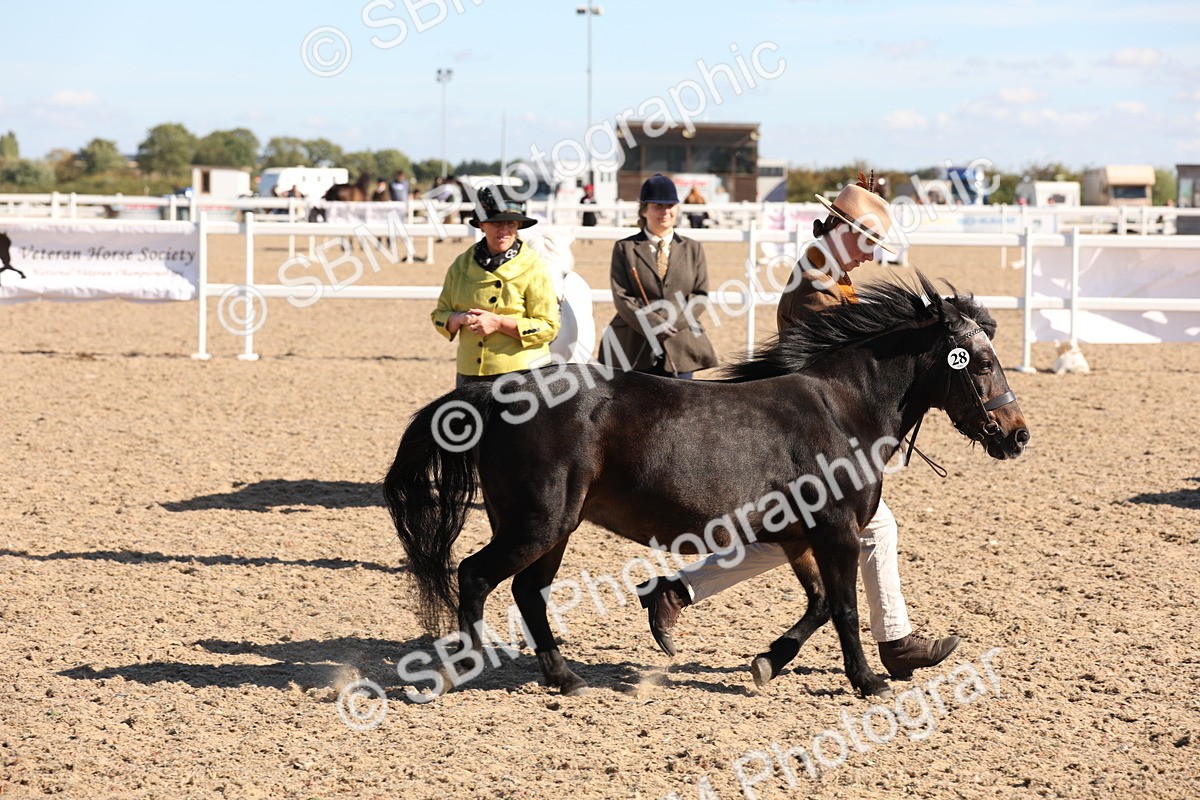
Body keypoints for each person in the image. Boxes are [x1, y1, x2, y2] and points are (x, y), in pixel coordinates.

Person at [638, 173, 961, 680]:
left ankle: (678, 591)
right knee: (857, 527)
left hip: (808, 431)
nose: (872, 256)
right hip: (802, 436)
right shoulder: (816, 286)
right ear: (843, 232)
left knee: (825, 529)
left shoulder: (830, 275)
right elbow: (852, 364)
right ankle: (892, 644)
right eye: (869, 243)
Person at [431, 185, 559, 387]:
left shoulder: (534, 267)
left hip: (523, 375)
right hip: (470, 373)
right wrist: (458, 318)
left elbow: (549, 327)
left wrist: (498, 323)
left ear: (517, 226)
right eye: (495, 223)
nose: (504, 230)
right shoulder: (460, 265)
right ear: (482, 225)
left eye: (510, 223)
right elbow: (439, 315)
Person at [598, 174, 718, 379]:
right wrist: (653, 324)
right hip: (634, 343)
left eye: (670, 205)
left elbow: (699, 296)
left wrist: (671, 323)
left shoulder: (693, 248)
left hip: (681, 341)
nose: (665, 212)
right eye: (658, 206)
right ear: (644, 210)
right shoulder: (624, 248)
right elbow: (622, 296)